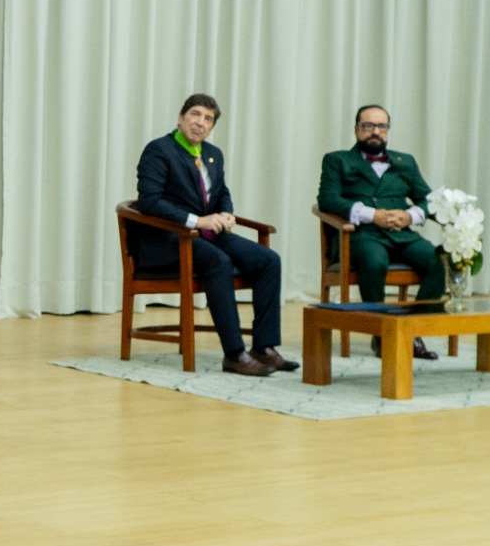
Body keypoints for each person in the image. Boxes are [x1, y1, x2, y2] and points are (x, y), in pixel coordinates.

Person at [135, 94, 298, 377]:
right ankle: (235, 354)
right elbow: (150, 202)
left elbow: (221, 193)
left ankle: (264, 347)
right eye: (195, 114)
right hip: (168, 239)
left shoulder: (213, 154)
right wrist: (198, 220)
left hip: (206, 235)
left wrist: (227, 213)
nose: (200, 122)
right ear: (180, 117)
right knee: (218, 261)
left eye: (207, 119)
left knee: (268, 260)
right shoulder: (159, 150)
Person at [316, 103, 442, 359]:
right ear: (356, 129)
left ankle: (412, 330)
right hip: (361, 234)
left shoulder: (404, 162)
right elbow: (327, 199)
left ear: (387, 130)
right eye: (368, 126)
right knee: (375, 262)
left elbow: (430, 199)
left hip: (402, 234)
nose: (375, 132)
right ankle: (381, 333)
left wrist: (410, 215)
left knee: (440, 261)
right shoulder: (337, 160)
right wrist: (372, 215)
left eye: (381, 126)